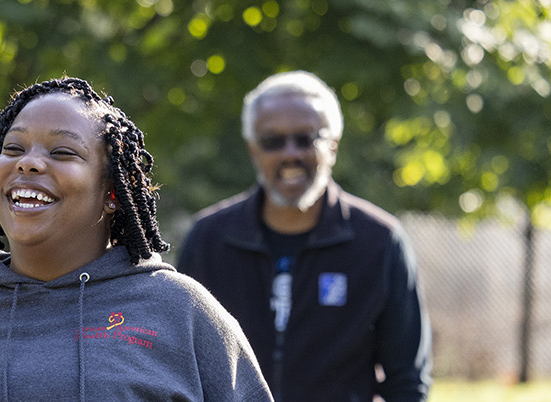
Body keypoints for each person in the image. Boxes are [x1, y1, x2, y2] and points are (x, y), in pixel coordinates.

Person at [0, 77, 271, 401]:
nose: (29, 162)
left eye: (62, 152)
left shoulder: (181, 310)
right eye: (13, 148)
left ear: (111, 192)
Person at [177, 71, 431, 401]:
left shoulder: (379, 242)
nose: (290, 154)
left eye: (306, 138)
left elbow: (408, 382)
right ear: (254, 150)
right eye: (273, 141)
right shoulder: (209, 240)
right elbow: (179, 365)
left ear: (333, 147)